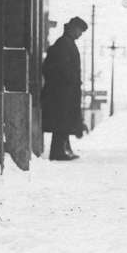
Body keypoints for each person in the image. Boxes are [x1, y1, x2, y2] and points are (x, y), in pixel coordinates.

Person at [41, 16, 88, 160]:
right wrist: (69, 82)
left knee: (64, 120)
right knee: (61, 120)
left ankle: (64, 148)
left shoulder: (66, 42)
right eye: (80, 31)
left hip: (65, 90)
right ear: (73, 28)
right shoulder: (64, 44)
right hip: (62, 91)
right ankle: (58, 152)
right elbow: (61, 68)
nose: (80, 34)